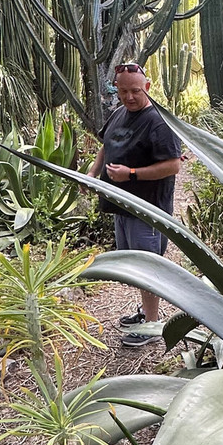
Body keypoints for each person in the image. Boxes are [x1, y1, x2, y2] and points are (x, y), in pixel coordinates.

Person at [87, 63, 182, 347]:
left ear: (148, 87)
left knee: (148, 267)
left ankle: (153, 326)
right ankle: (146, 314)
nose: (129, 97)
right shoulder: (119, 114)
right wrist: (92, 173)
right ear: (116, 88)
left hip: (147, 210)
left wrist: (131, 174)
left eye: (135, 91)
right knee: (135, 267)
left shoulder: (158, 122)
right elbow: (106, 145)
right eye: (123, 91)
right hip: (120, 206)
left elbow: (173, 165)